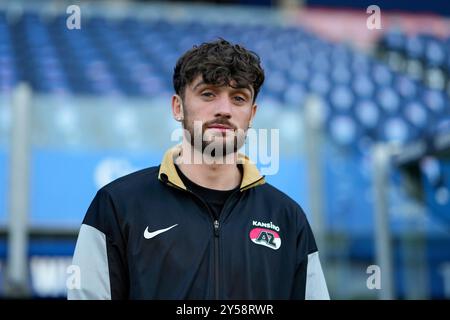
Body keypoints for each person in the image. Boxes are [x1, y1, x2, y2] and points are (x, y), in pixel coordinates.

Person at [68, 39, 329, 300]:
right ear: (178, 107)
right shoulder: (117, 204)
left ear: (251, 114)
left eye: (239, 98)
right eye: (208, 94)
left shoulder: (287, 218)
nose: (224, 110)